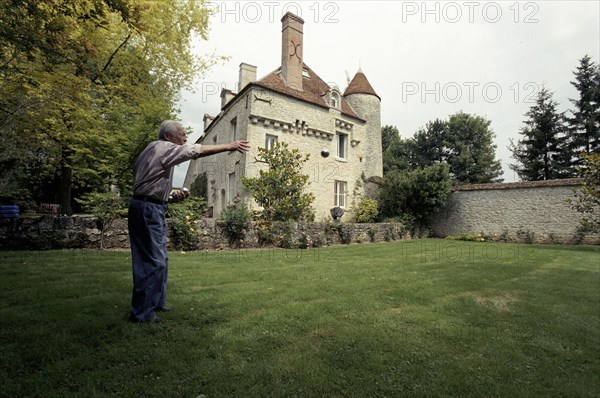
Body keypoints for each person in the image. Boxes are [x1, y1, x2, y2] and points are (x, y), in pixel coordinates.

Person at [128, 120, 250, 323]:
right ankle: (142, 314)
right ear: (168, 136)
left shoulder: (150, 150)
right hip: (148, 209)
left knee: (159, 260)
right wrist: (230, 145)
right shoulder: (164, 146)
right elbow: (193, 151)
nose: (185, 138)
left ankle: (155, 303)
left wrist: (171, 197)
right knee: (154, 262)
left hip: (146, 206)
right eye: (182, 134)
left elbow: (148, 185)